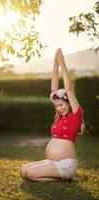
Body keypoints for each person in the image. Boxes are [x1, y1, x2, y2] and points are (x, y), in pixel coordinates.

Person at [20, 48, 84, 182]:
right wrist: (55, 65)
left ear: (69, 103)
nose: (59, 108)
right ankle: (61, 176)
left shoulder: (76, 115)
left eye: (61, 105)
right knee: (23, 171)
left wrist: (63, 63)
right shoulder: (60, 117)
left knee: (31, 175)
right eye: (56, 105)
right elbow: (54, 89)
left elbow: (68, 89)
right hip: (51, 162)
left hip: (65, 164)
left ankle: (66, 176)